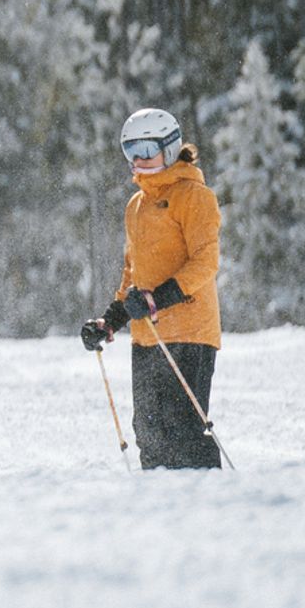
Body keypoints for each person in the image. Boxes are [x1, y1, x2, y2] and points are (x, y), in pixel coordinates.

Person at [80, 107, 223, 470]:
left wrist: (159, 299)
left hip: (190, 332)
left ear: (170, 148)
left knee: (183, 430)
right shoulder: (136, 206)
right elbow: (133, 275)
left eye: (146, 149)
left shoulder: (194, 196)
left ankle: (209, 508)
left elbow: (205, 262)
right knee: (149, 431)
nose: (138, 160)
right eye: (131, 151)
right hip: (147, 336)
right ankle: (162, 514)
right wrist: (110, 321)